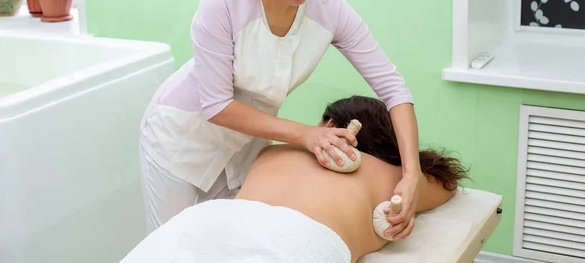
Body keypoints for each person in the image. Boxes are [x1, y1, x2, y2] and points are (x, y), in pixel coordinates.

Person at [138, 0, 420, 239]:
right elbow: (216, 105)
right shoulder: (223, 4)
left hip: (245, 146)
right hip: (181, 139)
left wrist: (412, 176)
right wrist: (307, 135)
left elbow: (393, 88)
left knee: (227, 247)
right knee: (172, 250)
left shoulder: (330, 10)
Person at [124, 96, 469, 263]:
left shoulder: (274, 152)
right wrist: (409, 166)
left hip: (202, 226)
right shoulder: (391, 174)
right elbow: (446, 185)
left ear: (331, 125)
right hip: (293, 246)